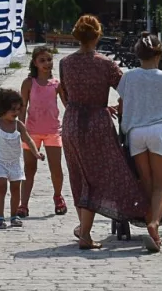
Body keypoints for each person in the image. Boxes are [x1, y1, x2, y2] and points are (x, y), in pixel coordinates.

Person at [58, 14, 147, 249]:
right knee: (96, 176)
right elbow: (127, 90)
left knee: (78, 175)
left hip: (72, 121)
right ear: (97, 35)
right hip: (97, 122)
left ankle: (83, 227)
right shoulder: (106, 64)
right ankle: (85, 234)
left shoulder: (65, 63)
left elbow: (65, 92)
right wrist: (117, 107)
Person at [116, 35, 162, 252]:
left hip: (136, 133)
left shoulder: (129, 77)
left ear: (138, 54)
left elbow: (122, 106)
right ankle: (154, 222)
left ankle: (147, 216)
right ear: (159, 54)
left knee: (145, 180)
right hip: (158, 131)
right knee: (161, 183)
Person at [0, 90, 40, 228]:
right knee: (1, 187)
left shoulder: (19, 125)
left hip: (15, 163)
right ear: (2, 109)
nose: (16, 112)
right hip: (0, 162)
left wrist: (36, 153)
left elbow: (28, 140)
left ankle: (14, 216)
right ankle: (0, 217)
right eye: (13, 109)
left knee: (15, 189)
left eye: (18, 109)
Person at [20, 47, 66, 217]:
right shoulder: (28, 83)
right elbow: (22, 107)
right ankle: (23, 204)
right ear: (35, 63)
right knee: (29, 168)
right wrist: (20, 128)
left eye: (49, 60)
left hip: (53, 131)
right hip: (31, 132)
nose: (47, 63)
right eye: (42, 60)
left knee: (56, 168)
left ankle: (58, 196)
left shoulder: (57, 84)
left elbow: (68, 105)